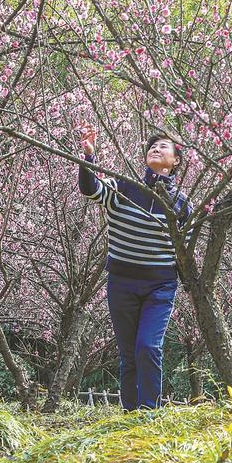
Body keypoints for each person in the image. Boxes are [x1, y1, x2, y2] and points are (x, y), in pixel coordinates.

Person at [77, 123, 192, 411]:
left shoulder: (181, 204)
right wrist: (89, 157)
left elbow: (185, 251)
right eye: (152, 146)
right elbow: (89, 189)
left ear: (175, 161)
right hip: (122, 282)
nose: (156, 148)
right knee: (128, 354)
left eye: (163, 146)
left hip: (160, 285)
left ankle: (150, 414)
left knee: (148, 347)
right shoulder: (124, 188)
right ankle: (130, 416)